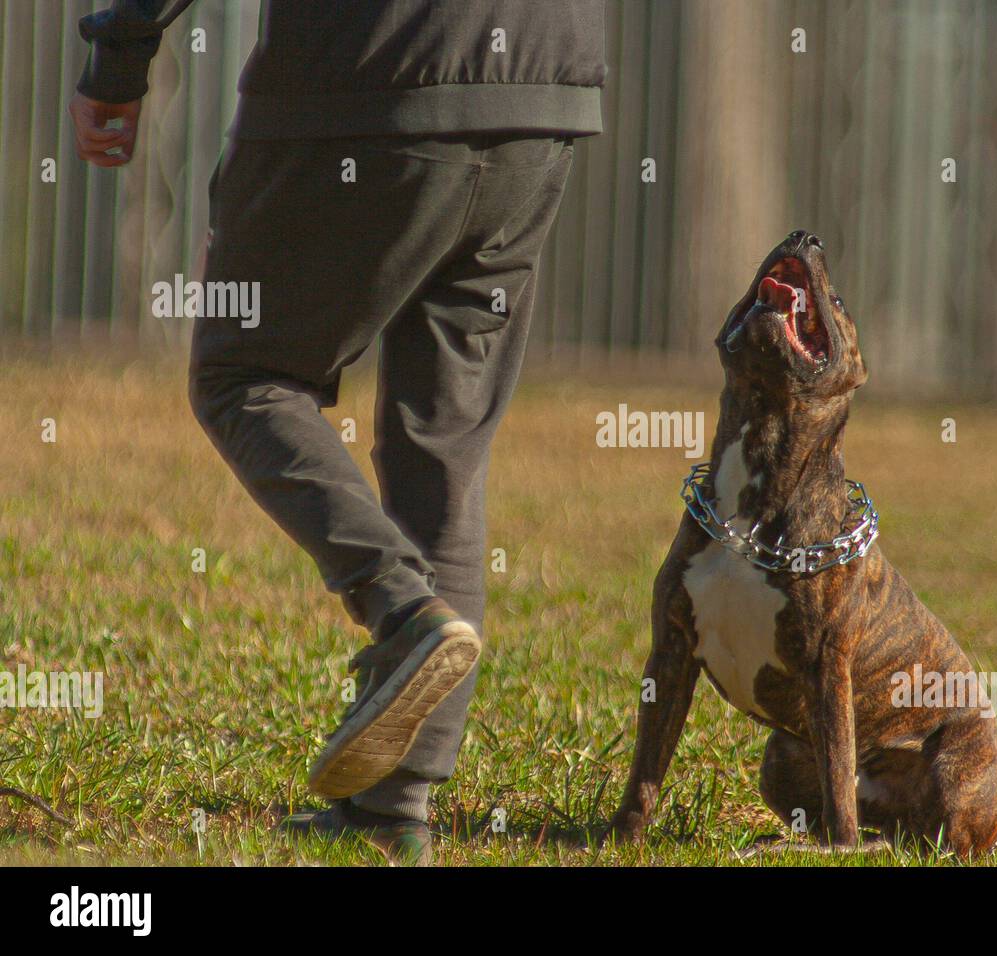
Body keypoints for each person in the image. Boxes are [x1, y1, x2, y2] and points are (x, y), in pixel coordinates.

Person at [70, 0, 605, 863]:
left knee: (243, 374)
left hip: (366, 70)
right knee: (446, 438)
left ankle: (400, 611)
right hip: (543, 90)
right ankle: (396, 807)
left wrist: (120, 53)